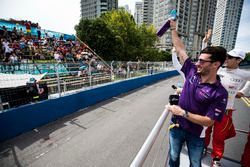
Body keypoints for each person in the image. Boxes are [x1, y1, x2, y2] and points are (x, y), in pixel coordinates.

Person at [166, 20, 228, 167]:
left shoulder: (220, 93)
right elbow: (180, 50)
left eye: (202, 61)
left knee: (195, 163)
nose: (197, 63)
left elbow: (209, 121)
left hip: (196, 134)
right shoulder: (192, 71)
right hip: (176, 126)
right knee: (173, 157)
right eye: (198, 59)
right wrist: (173, 29)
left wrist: (182, 112)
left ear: (216, 64)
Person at [202, 34, 250, 167]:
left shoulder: (243, 74)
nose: (226, 59)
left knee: (219, 136)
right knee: (205, 131)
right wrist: (205, 43)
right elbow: (205, 61)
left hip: (226, 111)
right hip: (209, 107)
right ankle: (203, 147)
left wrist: (243, 92)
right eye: (227, 56)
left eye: (230, 57)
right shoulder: (219, 69)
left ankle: (216, 159)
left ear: (239, 60)